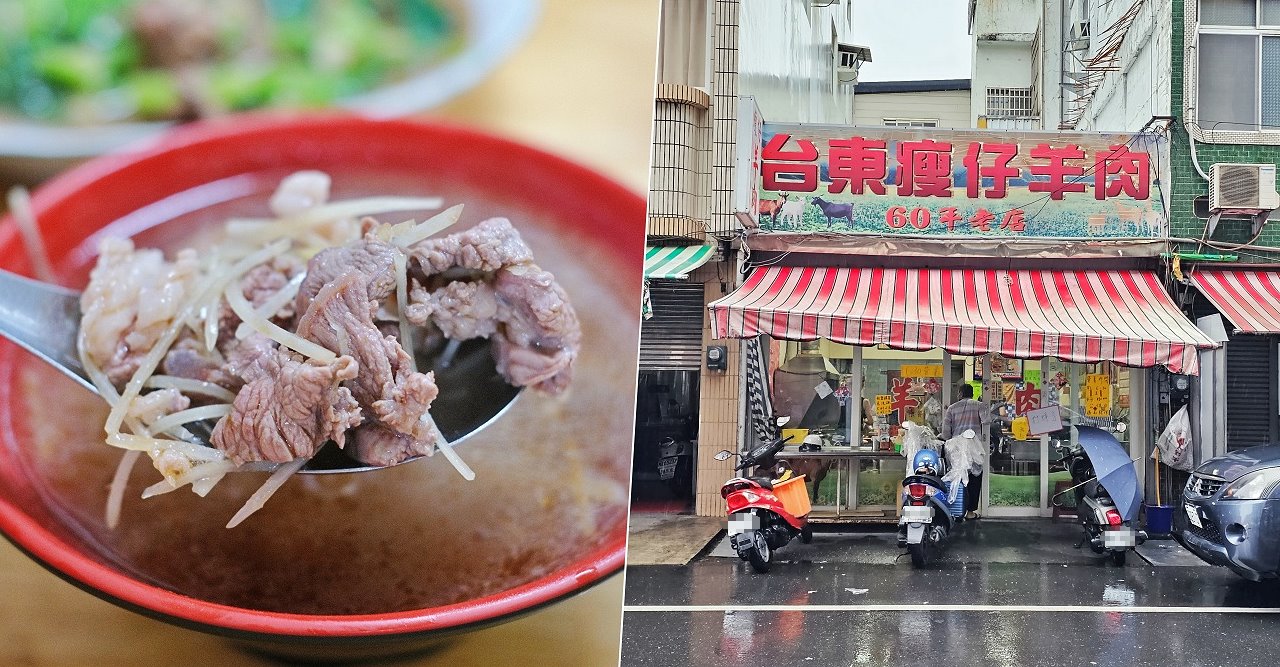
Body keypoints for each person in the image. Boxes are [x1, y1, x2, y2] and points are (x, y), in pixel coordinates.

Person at [942, 384, 989, 519]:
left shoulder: (952, 408)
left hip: (957, 450)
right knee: (974, 479)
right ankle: (970, 512)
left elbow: (945, 433)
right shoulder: (979, 405)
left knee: (958, 478)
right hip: (974, 449)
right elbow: (986, 420)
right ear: (972, 394)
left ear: (960, 394)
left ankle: (956, 510)